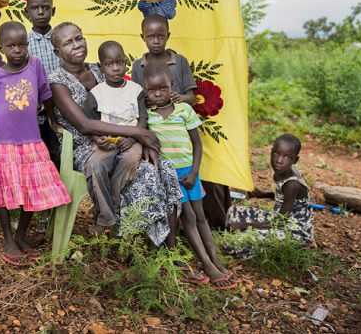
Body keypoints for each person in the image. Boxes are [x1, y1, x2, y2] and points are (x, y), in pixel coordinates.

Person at [48, 22, 182, 246]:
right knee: (134, 172)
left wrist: (138, 137)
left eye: (79, 38)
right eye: (68, 42)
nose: (76, 45)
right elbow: (83, 125)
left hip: (123, 141)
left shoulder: (102, 68)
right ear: (57, 51)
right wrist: (139, 133)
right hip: (83, 146)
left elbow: (132, 101)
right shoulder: (57, 81)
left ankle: (163, 243)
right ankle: (117, 225)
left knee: (161, 169)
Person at [0, 21, 70, 266]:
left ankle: (20, 236)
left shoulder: (35, 65)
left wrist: (51, 121)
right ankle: (7, 239)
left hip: (31, 140)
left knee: (32, 189)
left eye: (22, 45)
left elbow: (46, 94)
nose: (18, 50)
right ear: (1, 48)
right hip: (2, 143)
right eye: (11, 46)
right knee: (4, 192)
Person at [131, 14, 231, 229]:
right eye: (151, 37)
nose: (156, 41)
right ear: (143, 37)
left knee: (184, 181)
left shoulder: (180, 61)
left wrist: (180, 98)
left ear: (168, 36)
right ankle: (164, 229)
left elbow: (191, 96)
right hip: (156, 126)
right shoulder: (138, 66)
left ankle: (188, 227)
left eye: (160, 36)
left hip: (178, 128)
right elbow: (138, 100)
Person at [145, 64, 237, 288]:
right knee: (188, 217)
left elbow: (197, 143)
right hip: (169, 175)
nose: (158, 93)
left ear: (172, 86)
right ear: (146, 92)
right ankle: (206, 265)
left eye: (163, 88)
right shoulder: (148, 117)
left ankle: (215, 260)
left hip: (188, 171)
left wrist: (195, 171)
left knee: (200, 216)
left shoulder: (184, 111)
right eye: (152, 90)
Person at [81, 40, 147, 235]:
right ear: (101, 67)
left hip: (131, 140)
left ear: (126, 62)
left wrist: (134, 139)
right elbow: (89, 123)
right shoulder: (96, 93)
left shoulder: (136, 90)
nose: (116, 68)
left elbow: (142, 120)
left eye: (120, 62)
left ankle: (106, 213)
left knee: (128, 160)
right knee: (95, 165)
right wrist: (96, 138)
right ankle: (111, 215)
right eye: (109, 64)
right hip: (107, 142)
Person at [223, 134, 314, 258]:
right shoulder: (281, 172)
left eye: (287, 157)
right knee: (234, 210)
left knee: (233, 243)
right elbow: (284, 197)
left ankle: (280, 252)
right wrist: (262, 195)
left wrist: (244, 226)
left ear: (295, 160)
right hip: (279, 219)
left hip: (294, 232)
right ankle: (238, 237)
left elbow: (280, 222)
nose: (279, 160)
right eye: (276, 154)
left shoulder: (292, 184)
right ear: (271, 152)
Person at [24, 0, 61, 169]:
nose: (40, 12)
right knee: (41, 154)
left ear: (53, 11)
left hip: (62, 108)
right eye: (35, 8)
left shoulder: (61, 39)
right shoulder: (24, 44)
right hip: (36, 112)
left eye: (45, 8)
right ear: (26, 12)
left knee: (61, 151)